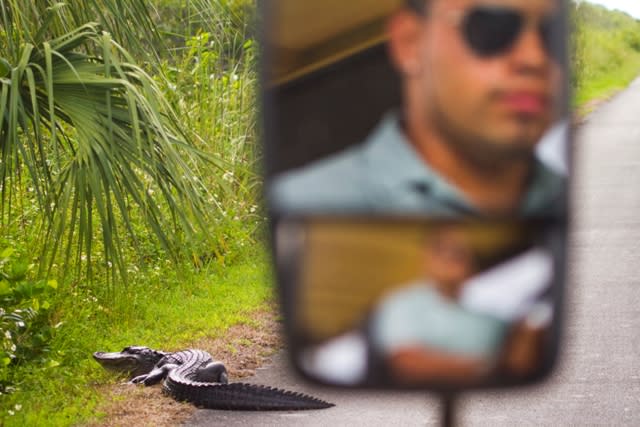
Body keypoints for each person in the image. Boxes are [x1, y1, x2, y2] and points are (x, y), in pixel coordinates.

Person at [269, 0, 566, 217]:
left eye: (552, 35)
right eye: (492, 27)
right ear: (410, 41)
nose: (535, 59)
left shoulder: (570, 195)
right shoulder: (300, 203)